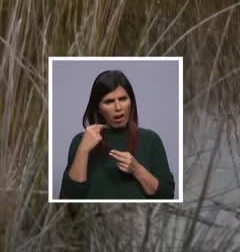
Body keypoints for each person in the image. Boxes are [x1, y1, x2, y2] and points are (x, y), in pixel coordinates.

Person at [59, 70, 175, 200]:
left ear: (131, 101)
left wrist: (137, 170)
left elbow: (167, 195)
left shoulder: (151, 139)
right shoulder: (80, 141)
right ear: (98, 108)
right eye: (109, 102)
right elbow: (68, 202)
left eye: (123, 99)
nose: (118, 107)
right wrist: (83, 151)